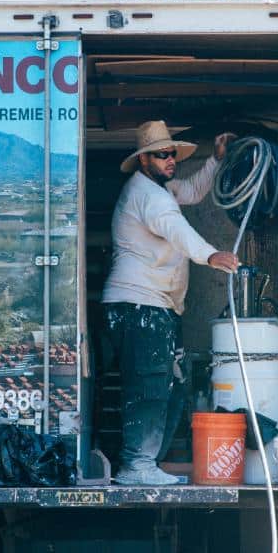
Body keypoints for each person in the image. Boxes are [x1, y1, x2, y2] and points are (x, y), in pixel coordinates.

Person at [102, 120, 239, 486]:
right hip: (140, 307)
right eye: (162, 154)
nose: (171, 159)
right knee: (150, 387)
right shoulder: (149, 197)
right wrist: (210, 255)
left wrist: (216, 161)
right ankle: (137, 466)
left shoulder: (159, 189)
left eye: (172, 153)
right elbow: (176, 229)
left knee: (168, 386)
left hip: (151, 307)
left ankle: (144, 464)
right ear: (143, 159)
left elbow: (192, 192)